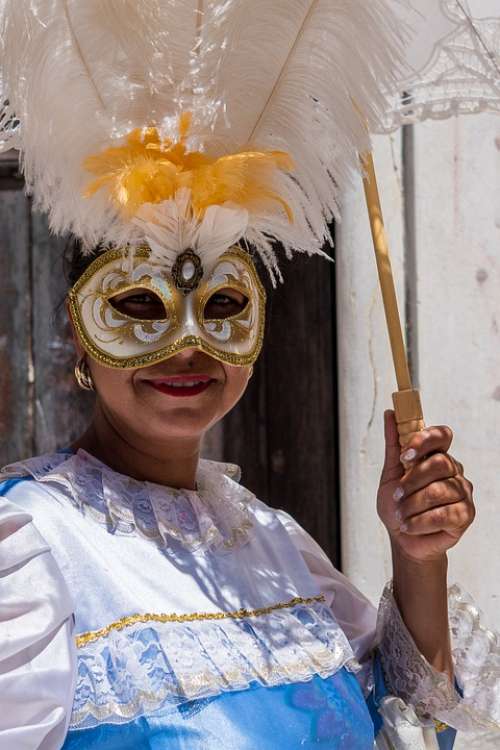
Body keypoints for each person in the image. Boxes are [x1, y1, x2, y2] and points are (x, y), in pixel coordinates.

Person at [0, 1, 499, 747]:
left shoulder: (274, 542)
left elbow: (404, 711)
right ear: (80, 332)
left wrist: (417, 553)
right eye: (140, 304)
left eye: (225, 303)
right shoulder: (32, 546)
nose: (188, 346)